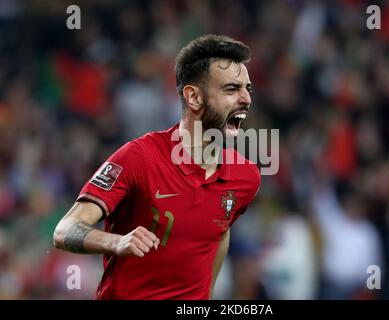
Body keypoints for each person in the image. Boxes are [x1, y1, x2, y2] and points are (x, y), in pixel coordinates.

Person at [53, 34, 261, 300]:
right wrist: (116, 242)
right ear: (194, 97)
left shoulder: (246, 178)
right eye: (232, 90)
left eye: (247, 89)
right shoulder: (139, 158)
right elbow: (65, 230)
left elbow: (220, 234)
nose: (246, 99)